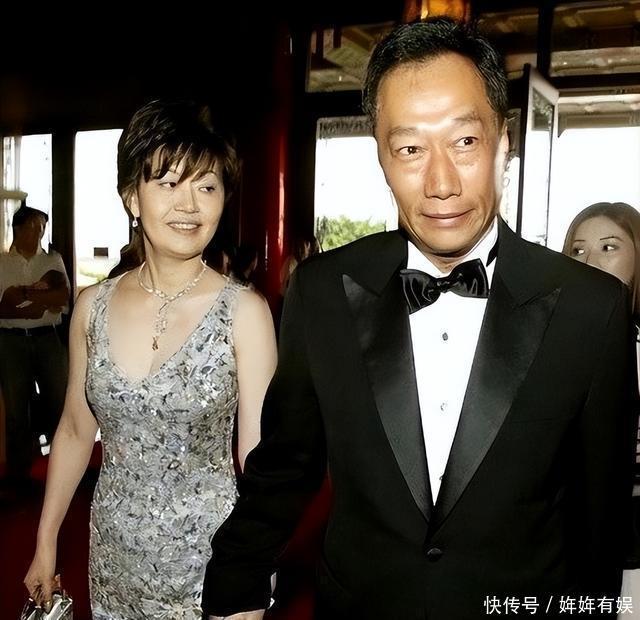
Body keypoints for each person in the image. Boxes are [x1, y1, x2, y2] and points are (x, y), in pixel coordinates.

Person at [202, 18, 637, 620]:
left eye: (465, 141)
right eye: (410, 149)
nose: (440, 183)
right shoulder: (324, 292)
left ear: (504, 144)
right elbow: (284, 468)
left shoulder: (592, 309)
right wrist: (233, 586)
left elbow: (599, 524)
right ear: (381, 157)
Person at [23, 99, 277, 619]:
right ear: (131, 197)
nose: (190, 205)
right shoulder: (91, 308)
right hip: (112, 562)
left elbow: (260, 459)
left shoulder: (245, 313)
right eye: (168, 182)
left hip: (214, 565)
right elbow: (74, 429)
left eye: (207, 187)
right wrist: (46, 540)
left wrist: (255, 572)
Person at [563, 201, 640, 619]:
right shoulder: (554, 348)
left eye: (609, 247)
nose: (590, 261)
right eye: (578, 250)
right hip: (571, 546)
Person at [0, 204, 70, 489]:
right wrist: (38, 302)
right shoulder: (3, 263)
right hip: (11, 341)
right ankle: (19, 476)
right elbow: (4, 306)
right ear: (17, 229)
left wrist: (22, 297)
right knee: (17, 409)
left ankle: (61, 470)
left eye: (41, 227)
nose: (38, 233)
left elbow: (62, 299)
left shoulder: (53, 260)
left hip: (47, 338)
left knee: (59, 402)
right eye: (32, 227)